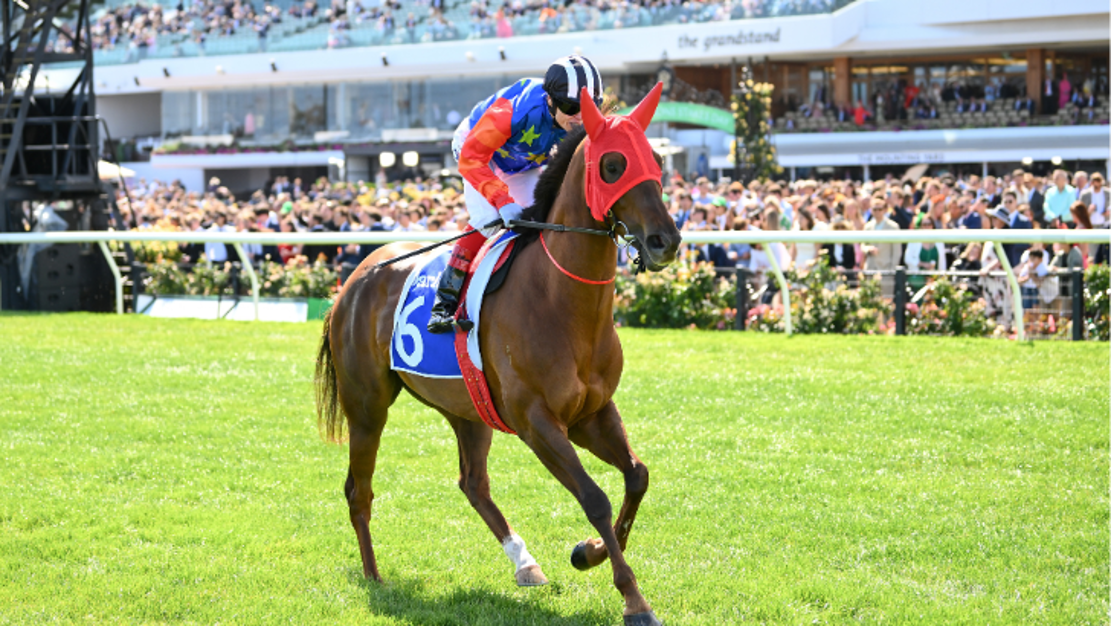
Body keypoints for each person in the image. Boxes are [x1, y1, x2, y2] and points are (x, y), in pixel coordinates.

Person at [427, 54, 604, 333]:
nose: (581, 117)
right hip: (478, 151)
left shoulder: (578, 119)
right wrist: (501, 200)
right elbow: (472, 159)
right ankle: (443, 305)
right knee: (488, 220)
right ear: (550, 100)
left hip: (522, 163)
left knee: (542, 217)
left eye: (589, 107)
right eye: (572, 107)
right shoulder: (516, 110)